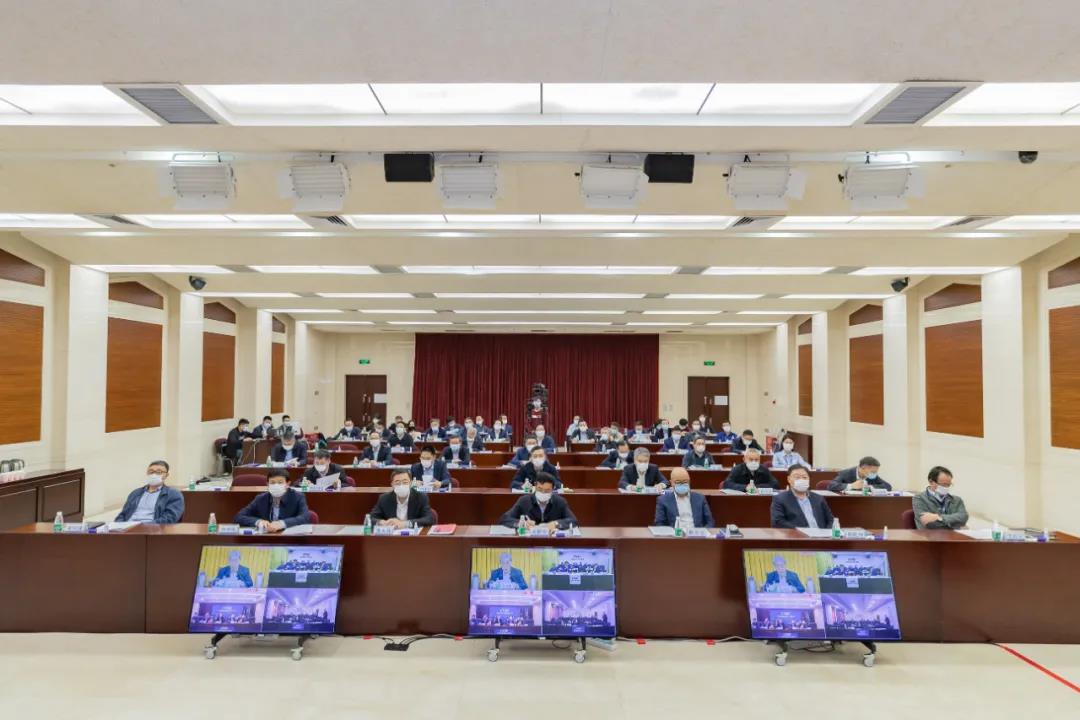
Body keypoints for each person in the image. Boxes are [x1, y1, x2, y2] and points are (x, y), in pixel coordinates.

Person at [234, 468, 311, 531]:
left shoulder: (298, 497)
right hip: (266, 538)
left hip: (289, 539)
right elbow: (239, 516)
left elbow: (305, 517)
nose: (276, 485)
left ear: (288, 484)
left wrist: (282, 524)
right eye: (272, 483)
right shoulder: (261, 498)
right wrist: (258, 522)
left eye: (280, 482)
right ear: (267, 484)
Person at [499, 472, 577, 531]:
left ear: (553, 489)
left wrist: (556, 524)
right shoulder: (524, 500)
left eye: (547, 490)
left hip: (552, 541)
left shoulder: (560, 501)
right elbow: (504, 519)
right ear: (535, 486)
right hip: (529, 541)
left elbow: (573, 520)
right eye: (540, 489)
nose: (543, 492)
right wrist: (522, 523)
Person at [114, 460, 185, 524]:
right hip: (128, 528)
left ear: (166, 475)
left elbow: (170, 518)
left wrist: (143, 526)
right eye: (151, 472)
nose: (154, 475)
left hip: (152, 529)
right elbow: (123, 514)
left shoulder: (173, 494)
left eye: (159, 472)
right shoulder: (135, 493)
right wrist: (118, 525)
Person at [770, 464, 834, 529]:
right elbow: (778, 522)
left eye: (804, 477)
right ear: (789, 479)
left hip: (821, 534)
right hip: (797, 534)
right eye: (797, 477)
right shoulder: (780, 499)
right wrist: (800, 531)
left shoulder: (818, 498)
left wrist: (827, 532)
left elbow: (830, 519)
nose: (801, 480)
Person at [369, 469, 435, 527]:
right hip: (392, 535)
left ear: (410, 483)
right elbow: (371, 518)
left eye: (405, 482)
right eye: (397, 483)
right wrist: (382, 522)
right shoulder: (384, 498)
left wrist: (405, 524)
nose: (401, 485)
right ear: (392, 484)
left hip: (413, 535)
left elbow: (429, 519)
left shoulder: (420, 497)